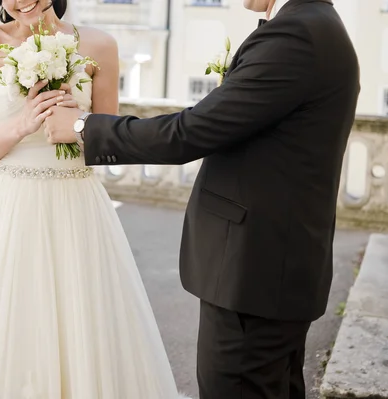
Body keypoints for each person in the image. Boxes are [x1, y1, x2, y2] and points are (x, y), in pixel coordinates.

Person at [46, 0, 361, 398]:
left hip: (255, 272)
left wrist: (82, 126)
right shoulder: (315, 26)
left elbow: (190, 132)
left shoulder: (296, 35)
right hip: (276, 267)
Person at [0, 1, 189, 398]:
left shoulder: (100, 45)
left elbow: (107, 140)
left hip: (74, 205)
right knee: (0, 323)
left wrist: (76, 126)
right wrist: (22, 125)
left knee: (78, 322)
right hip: (3, 207)